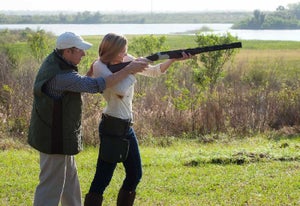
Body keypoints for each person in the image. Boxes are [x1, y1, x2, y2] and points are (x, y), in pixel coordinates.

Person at [28, 32, 148, 206]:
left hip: (59, 136)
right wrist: (128, 70)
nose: (84, 54)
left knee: (70, 180)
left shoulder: (56, 61)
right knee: (50, 185)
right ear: (68, 52)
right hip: (53, 138)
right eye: (80, 50)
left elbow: (80, 82)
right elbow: (93, 85)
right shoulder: (62, 76)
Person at [84, 33, 192, 206]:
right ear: (110, 51)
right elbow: (119, 88)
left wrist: (173, 59)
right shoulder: (99, 66)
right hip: (112, 125)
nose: (124, 54)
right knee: (103, 178)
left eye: (125, 50)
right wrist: (132, 70)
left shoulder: (128, 61)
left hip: (127, 126)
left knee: (135, 174)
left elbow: (155, 72)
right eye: (121, 51)